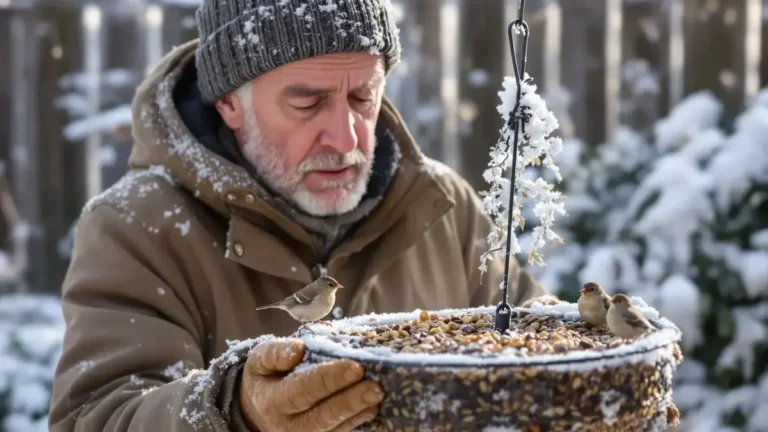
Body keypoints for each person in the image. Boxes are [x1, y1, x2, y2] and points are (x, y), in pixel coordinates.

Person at [48, 0, 548, 430]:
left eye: (363, 97)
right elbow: (99, 416)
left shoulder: (442, 207)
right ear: (230, 104)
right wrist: (236, 412)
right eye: (308, 103)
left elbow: (540, 348)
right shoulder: (137, 227)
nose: (345, 138)